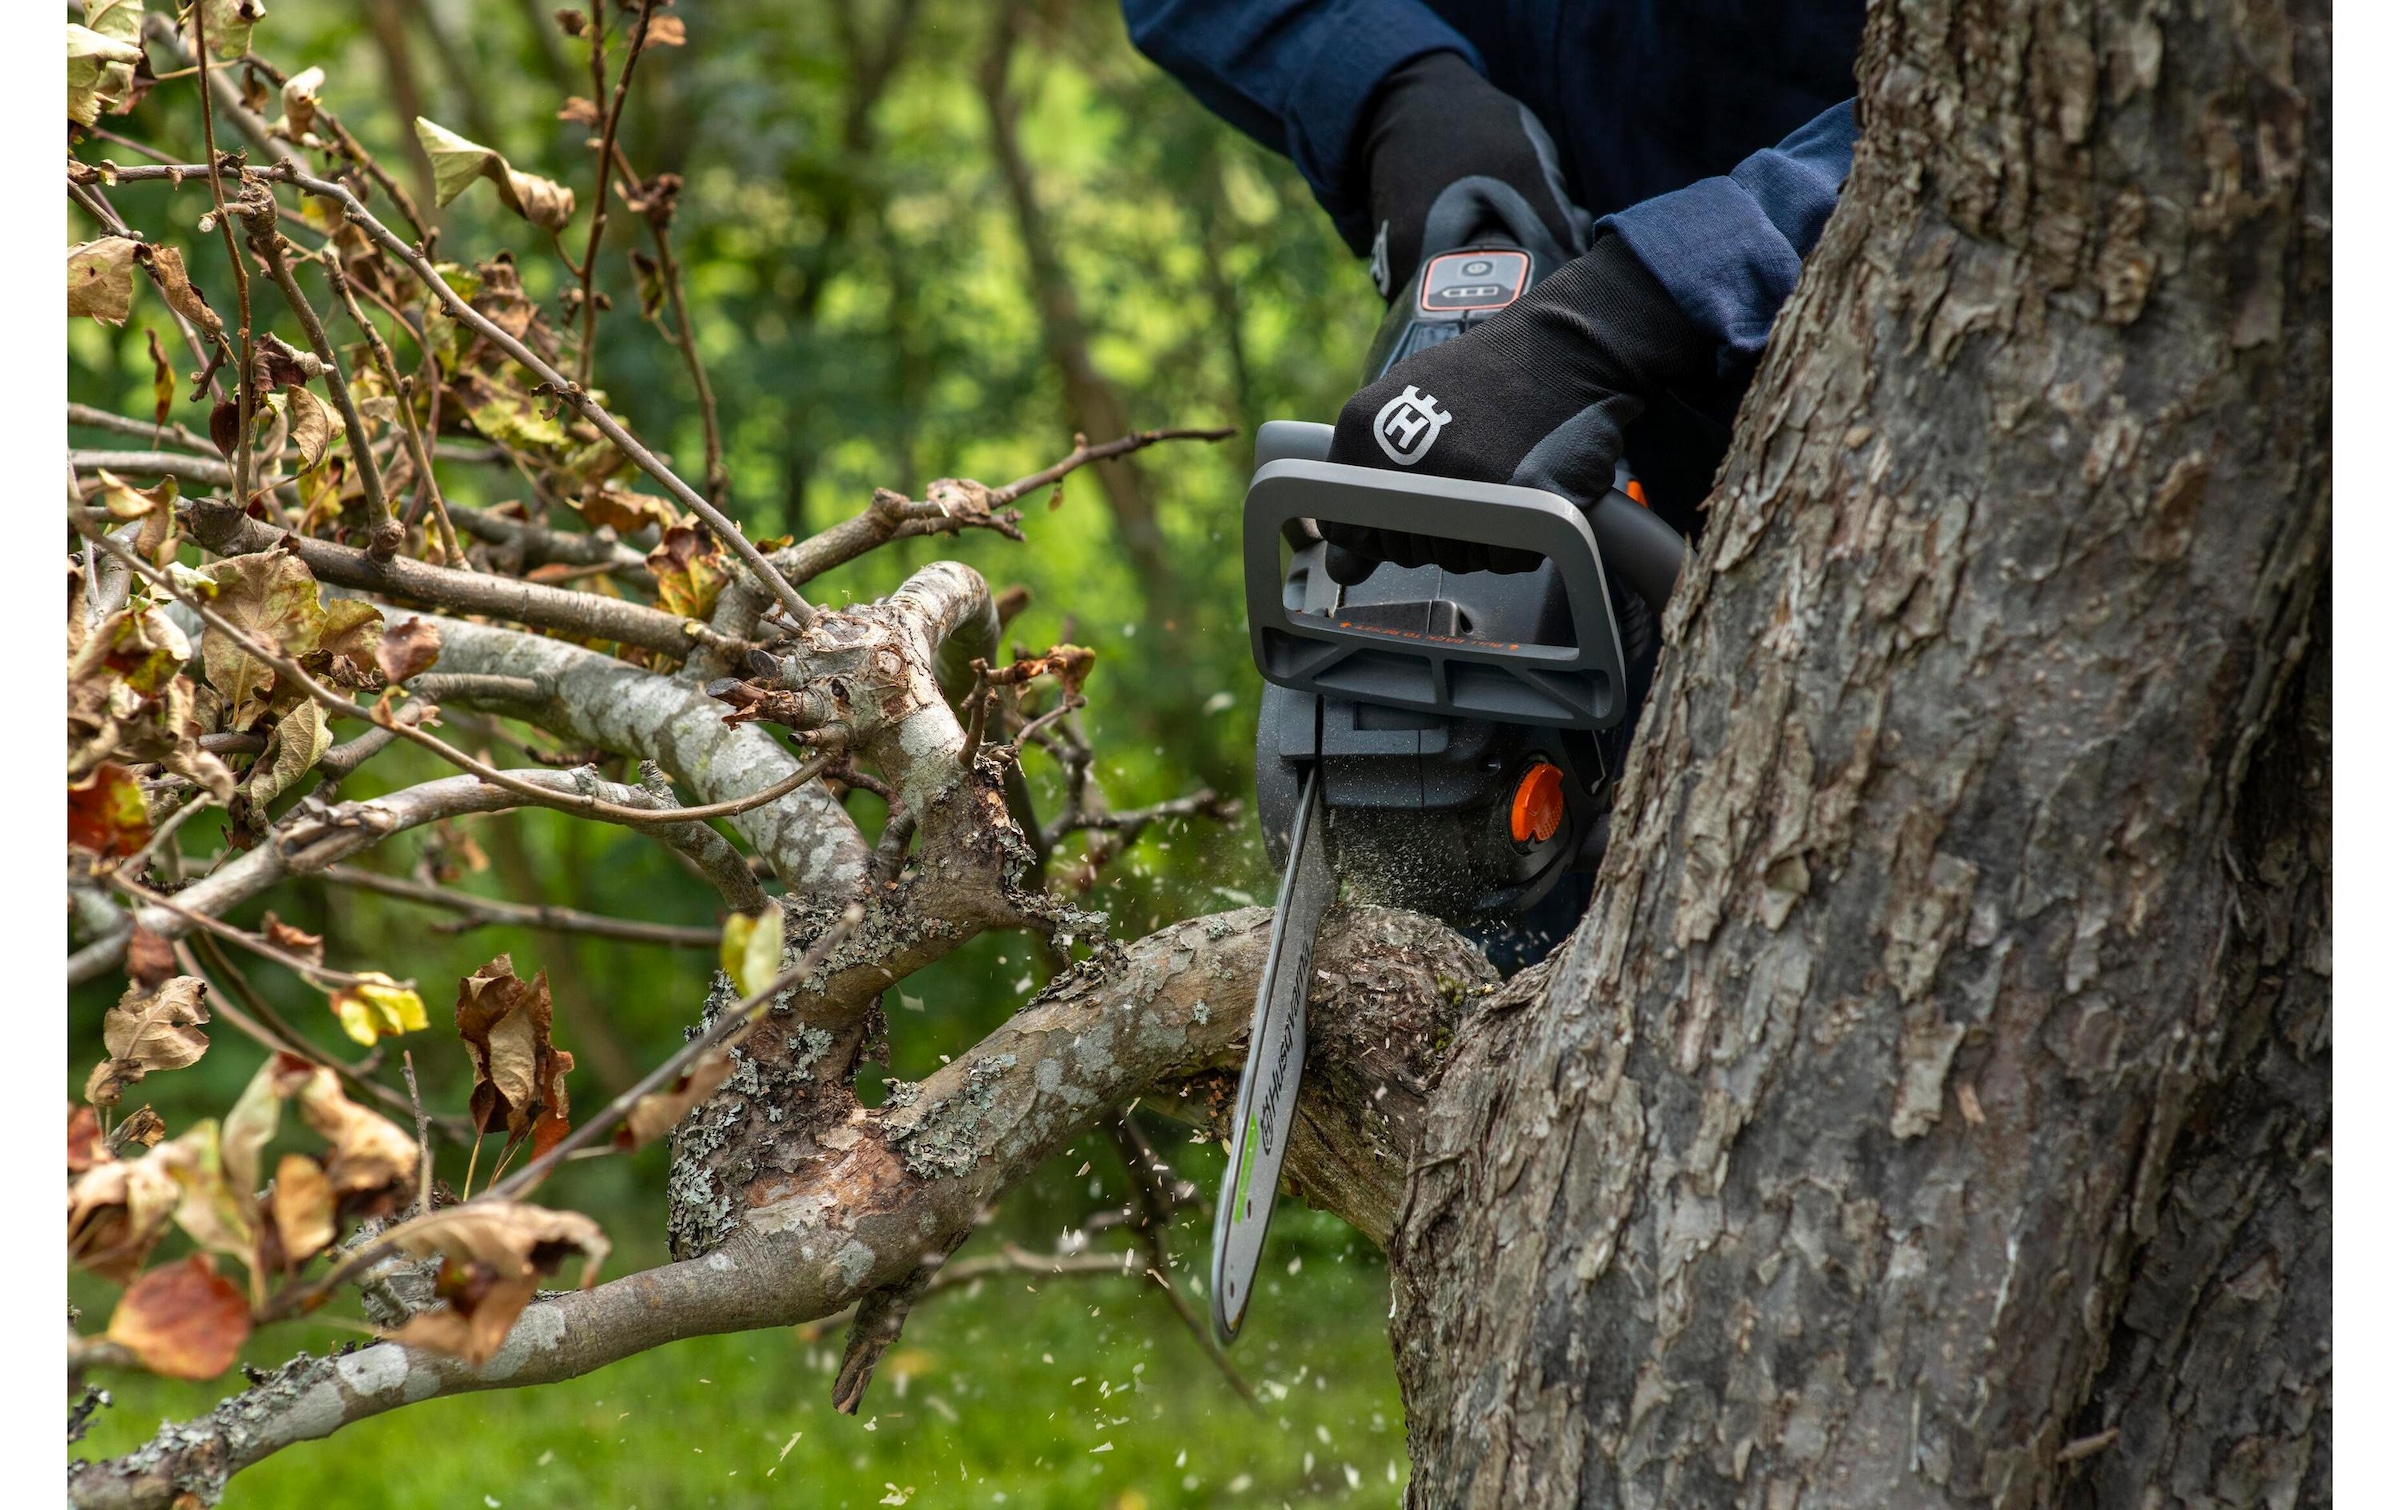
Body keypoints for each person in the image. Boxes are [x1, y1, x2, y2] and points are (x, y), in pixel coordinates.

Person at [1119, 1, 1864, 554]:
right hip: (1510, 368)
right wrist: (1388, 83)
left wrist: (1655, 293)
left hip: (1836, 462)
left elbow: (1963, 123)